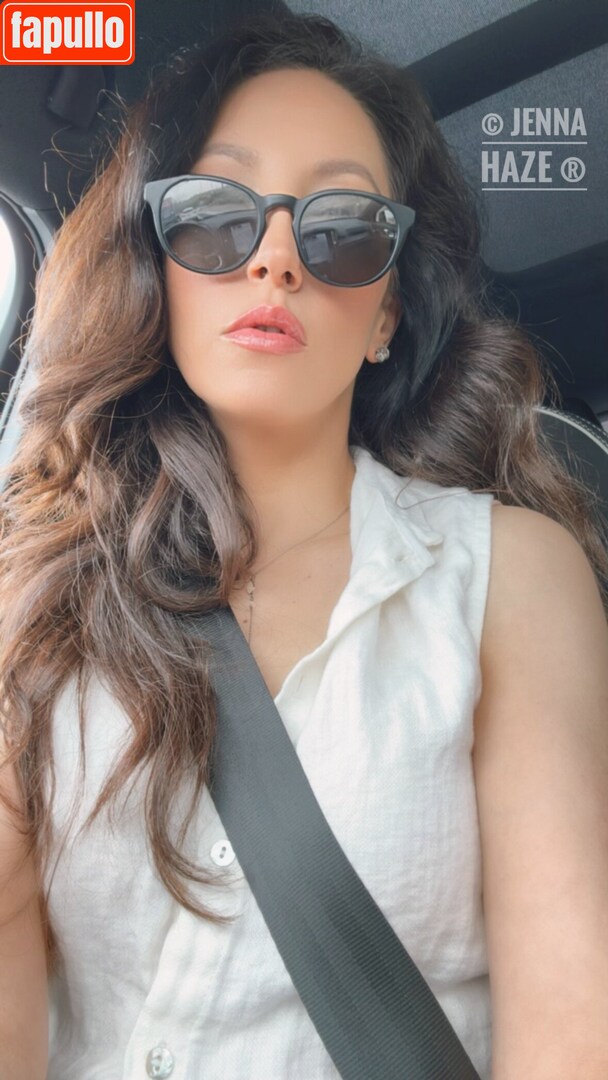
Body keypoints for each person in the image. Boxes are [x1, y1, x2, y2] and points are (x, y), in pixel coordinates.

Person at [0, 10, 607, 1080]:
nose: (276, 258)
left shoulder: (508, 575)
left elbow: (571, 1029)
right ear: (157, 270)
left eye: (343, 230)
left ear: (385, 317)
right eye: (214, 216)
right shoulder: (39, 595)